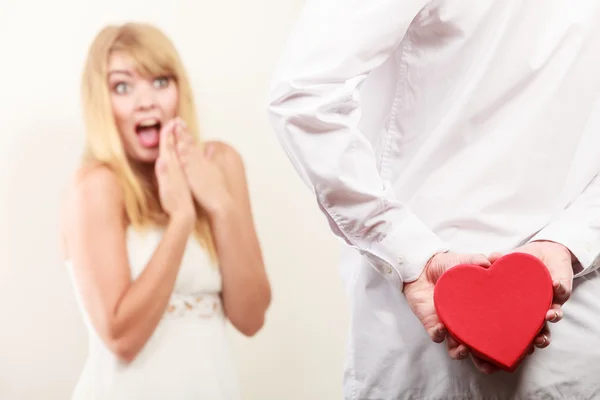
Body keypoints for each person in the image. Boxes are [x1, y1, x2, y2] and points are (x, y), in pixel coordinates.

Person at [267, 1, 600, 399]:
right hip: (551, 330)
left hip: (442, 331)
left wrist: (406, 249)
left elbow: (303, 97)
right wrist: (571, 240)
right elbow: (305, 99)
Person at [60, 22, 271, 399]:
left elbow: (251, 318)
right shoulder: (96, 185)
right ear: (101, 101)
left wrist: (219, 203)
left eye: (160, 81)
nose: (147, 101)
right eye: (123, 86)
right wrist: (182, 219)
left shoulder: (220, 163)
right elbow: (121, 337)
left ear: (179, 89)